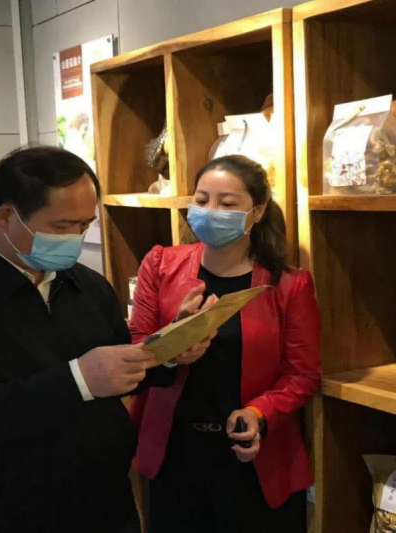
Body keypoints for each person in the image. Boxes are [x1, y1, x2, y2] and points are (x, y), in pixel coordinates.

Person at [0, 146, 212, 533]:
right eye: (62, 227)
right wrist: (76, 380)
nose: (76, 238)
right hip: (9, 510)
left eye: (85, 225)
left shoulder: (88, 285)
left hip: (107, 501)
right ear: (6, 216)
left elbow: (119, 368)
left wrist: (170, 350)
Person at [129, 155, 321, 533]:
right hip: (174, 453)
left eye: (227, 203)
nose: (210, 211)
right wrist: (174, 343)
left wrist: (259, 413)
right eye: (202, 200)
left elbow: (302, 374)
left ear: (257, 211)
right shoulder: (160, 264)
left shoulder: (288, 284)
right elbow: (137, 345)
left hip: (254, 458)